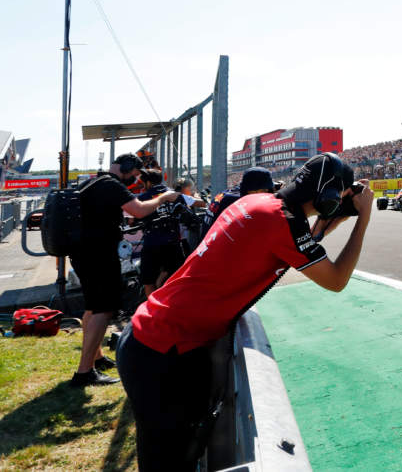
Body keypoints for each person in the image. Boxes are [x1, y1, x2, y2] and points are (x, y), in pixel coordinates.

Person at [117, 153, 373, 471]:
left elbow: (304, 241)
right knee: (170, 463)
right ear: (330, 195)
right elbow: (335, 280)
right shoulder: (283, 223)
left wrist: (339, 214)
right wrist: (363, 219)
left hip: (151, 338)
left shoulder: (259, 205)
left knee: (176, 454)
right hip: (163, 350)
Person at [69, 154, 180, 386]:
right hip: (98, 254)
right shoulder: (111, 185)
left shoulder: (92, 182)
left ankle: (96, 357)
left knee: (92, 306)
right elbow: (139, 210)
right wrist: (163, 198)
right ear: (128, 168)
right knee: (103, 309)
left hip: (83, 253)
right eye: (135, 175)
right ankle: (84, 372)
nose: (135, 180)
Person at [198, 166, 275, 238]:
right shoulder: (236, 201)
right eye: (262, 190)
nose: (265, 195)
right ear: (251, 189)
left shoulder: (229, 194)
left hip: (207, 245)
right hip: (216, 249)